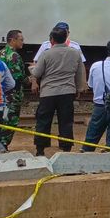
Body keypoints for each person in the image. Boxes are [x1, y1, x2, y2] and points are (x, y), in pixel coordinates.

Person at [31, 26, 87, 156]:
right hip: (67, 92)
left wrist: (31, 69)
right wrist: (79, 89)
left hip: (48, 93)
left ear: (51, 40)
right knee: (66, 121)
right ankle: (66, 147)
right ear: (66, 38)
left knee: (44, 121)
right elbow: (79, 73)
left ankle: (40, 149)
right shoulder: (75, 53)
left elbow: (37, 73)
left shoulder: (46, 54)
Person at [0, 30, 29, 147]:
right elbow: (17, 76)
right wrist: (30, 79)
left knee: (2, 118)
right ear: (12, 40)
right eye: (21, 39)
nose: (23, 42)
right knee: (11, 120)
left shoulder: (0, 53)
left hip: (1, 93)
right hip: (12, 95)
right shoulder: (14, 55)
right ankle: (3, 144)